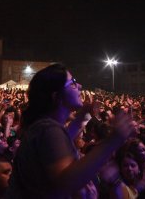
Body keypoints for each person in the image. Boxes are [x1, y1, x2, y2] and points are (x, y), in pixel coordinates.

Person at [7, 63, 136, 198]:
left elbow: (56, 150)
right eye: (73, 83)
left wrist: (80, 119)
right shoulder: (47, 129)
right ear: (56, 96)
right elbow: (67, 181)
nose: (79, 85)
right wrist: (114, 140)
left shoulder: (44, 127)